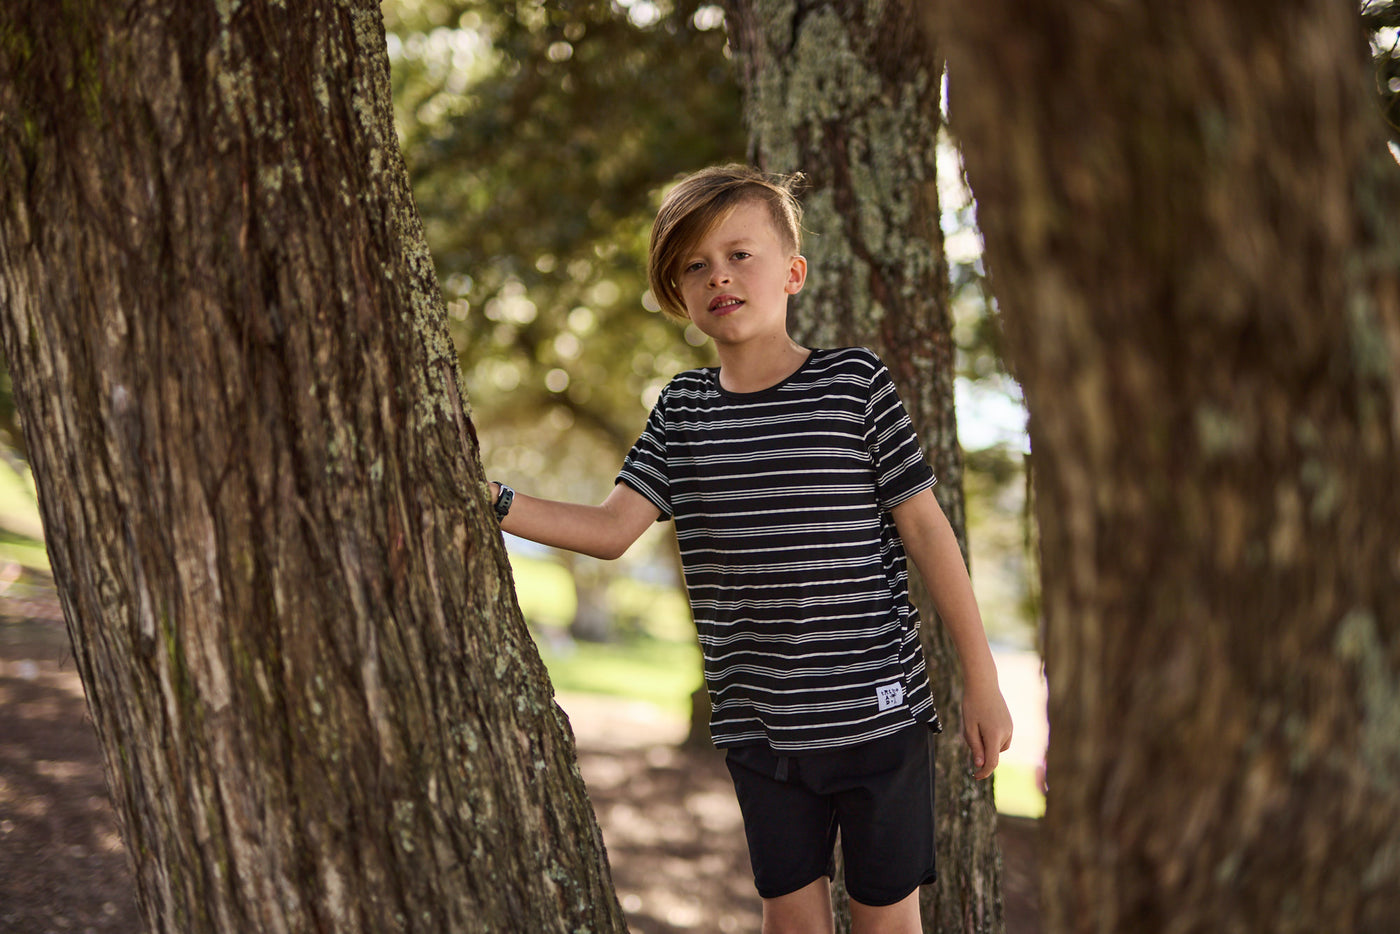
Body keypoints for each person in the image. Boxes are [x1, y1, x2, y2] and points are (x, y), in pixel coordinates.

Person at [487, 164, 1013, 934]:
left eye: (739, 255)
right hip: (761, 731)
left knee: (887, 923)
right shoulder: (683, 411)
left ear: (792, 273)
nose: (719, 277)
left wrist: (981, 678)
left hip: (877, 718)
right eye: (694, 266)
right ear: (678, 294)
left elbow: (928, 531)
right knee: (789, 922)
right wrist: (492, 499)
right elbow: (610, 529)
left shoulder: (854, 385)